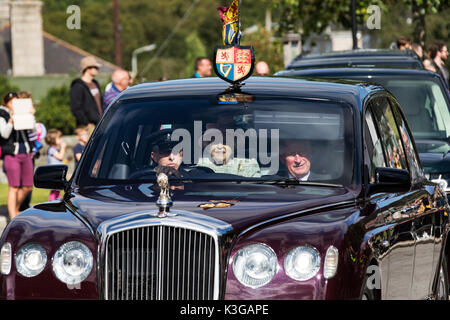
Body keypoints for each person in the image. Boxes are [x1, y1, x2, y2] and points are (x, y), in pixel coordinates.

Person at [0, 92, 34, 220]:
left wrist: (31, 116)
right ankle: (13, 214)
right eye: (11, 102)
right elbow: (3, 134)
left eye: (16, 102)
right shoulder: (2, 114)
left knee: (27, 186)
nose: (13, 105)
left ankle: (15, 208)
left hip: (25, 153)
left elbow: (33, 130)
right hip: (11, 155)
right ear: (6, 103)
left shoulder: (22, 113)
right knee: (14, 187)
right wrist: (11, 122)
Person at [70, 56, 104, 130]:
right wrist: (87, 124)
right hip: (87, 127)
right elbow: (75, 108)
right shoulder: (78, 86)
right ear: (87, 68)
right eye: (95, 67)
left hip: (99, 124)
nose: (98, 69)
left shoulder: (95, 83)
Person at [45, 129, 66, 201]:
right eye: (59, 138)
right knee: (54, 190)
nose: (60, 140)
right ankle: (51, 202)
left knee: (57, 189)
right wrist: (63, 147)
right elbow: (60, 157)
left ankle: (56, 201)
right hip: (54, 173)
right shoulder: (51, 149)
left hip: (57, 172)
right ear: (53, 139)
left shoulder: (55, 149)